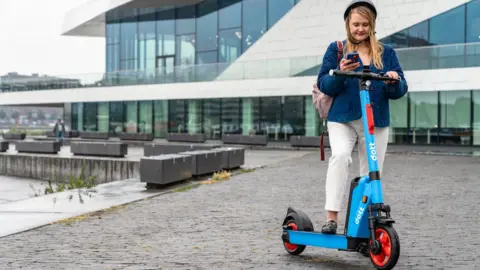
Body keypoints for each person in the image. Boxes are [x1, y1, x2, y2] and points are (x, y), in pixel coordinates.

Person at [316, 0, 408, 234]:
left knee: (372, 172)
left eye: (365, 24)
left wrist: (392, 81)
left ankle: (366, 225)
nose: (360, 29)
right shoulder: (336, 49)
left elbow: (400, 87)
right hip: (343, 119)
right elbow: (324, 84)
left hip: (375, 120)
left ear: (372, 25)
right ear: (348, 24)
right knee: (340, 157)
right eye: (356, 24)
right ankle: (332, 218)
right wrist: (341, 73)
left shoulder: (386, 53)